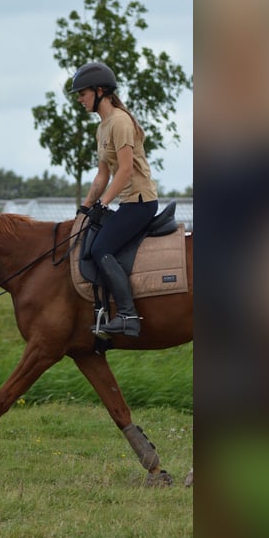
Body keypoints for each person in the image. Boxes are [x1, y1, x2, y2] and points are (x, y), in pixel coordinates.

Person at [71, 62, 159, 337]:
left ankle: (128, 316)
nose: (79, 99)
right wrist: (85, 208)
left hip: (141, 202)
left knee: (100, 249)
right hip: (127, 201)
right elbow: (102, 176)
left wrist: (103, 203)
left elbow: (124, 171)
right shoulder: (102, 127)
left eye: (82, 93)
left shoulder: (120, 122)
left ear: (99, 91)